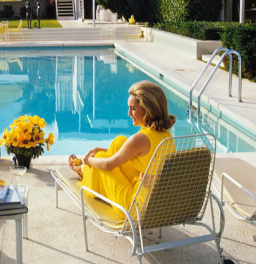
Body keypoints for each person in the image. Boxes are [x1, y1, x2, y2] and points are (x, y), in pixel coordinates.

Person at [69, 81, 176, 218]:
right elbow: (130, 151)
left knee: (101, 158)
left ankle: (84, 170)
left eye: (133, 108)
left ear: (147, 109)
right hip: (156, 201)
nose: (128, 113)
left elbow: (108, 165)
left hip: (135, 206)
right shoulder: (165, 134)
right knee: (119, 141)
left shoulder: (140, 139)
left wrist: (89, 160)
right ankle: (93, 175)